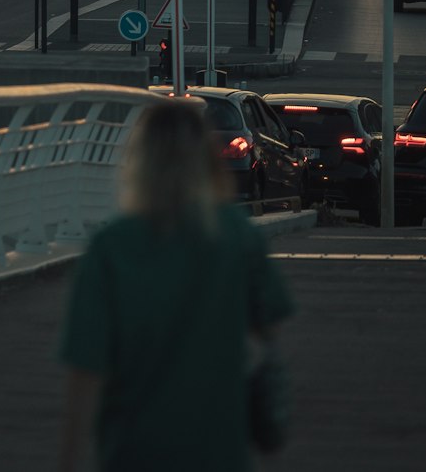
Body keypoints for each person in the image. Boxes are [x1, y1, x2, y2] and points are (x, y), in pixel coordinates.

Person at [58, 99, 293, 472]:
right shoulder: (237, 236)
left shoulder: (112, 247)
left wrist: (69, 460)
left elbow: (85, 370)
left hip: (134, 449)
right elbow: (271, 325)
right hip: (219, 448)